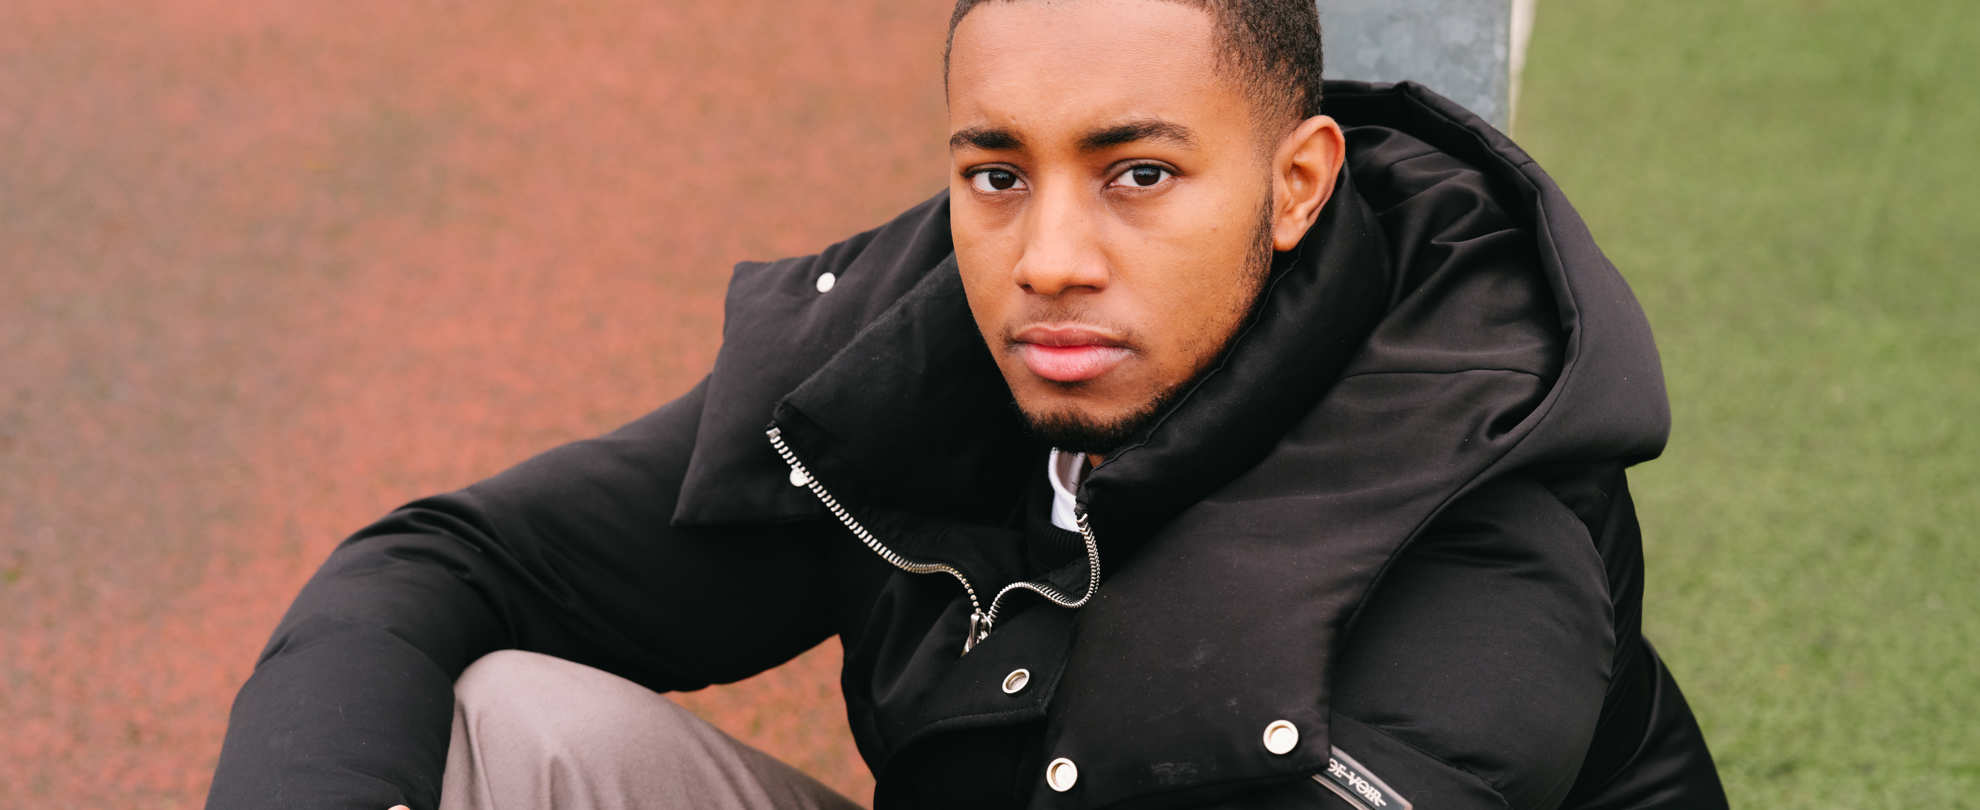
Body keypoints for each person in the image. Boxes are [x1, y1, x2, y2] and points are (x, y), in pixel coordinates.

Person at [206, 1, 1730, 808]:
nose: (1048, 260)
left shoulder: (1479, 522)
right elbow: (435, 566)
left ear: (1295, 185)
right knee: (507, 723)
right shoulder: (924, 362)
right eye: (997, 172)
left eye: (1139, 174)